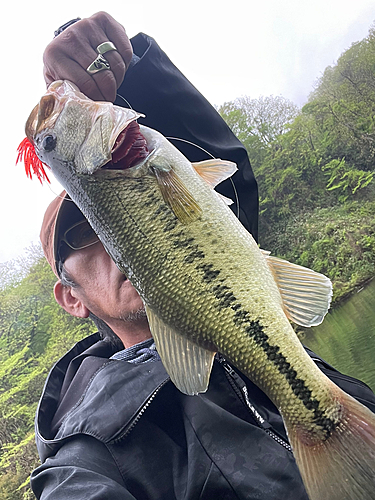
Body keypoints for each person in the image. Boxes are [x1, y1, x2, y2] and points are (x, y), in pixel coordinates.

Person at [30, 12, 375, 500]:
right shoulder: (85, 454)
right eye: (88, 236)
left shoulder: (233, 288)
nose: (114, 241)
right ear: (71, 298)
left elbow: (218, 180)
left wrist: (122, 75)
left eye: (108, 221)